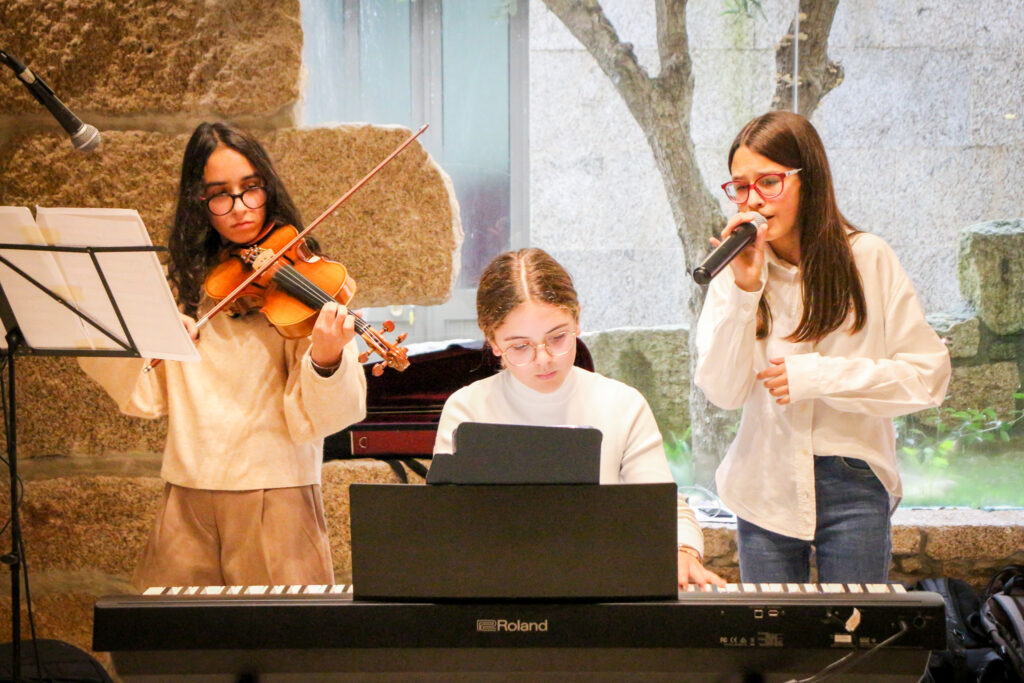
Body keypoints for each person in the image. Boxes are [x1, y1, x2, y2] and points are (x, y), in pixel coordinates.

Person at [79, 122, 367, 589]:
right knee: (174, 633)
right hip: (186, 495)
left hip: (277, 496)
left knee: (276, 634)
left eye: (251, 189)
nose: (240, 208)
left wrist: (327, 359)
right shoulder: (182, 282)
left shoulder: (303, 278)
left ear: (268, 188)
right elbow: (146, 397)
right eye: (220, 195)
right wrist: (147, 338)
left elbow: (326, 416)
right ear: (199, 202)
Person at [694, 111, 951, 584]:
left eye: (769, 182)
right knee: (772, 630)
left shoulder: (867, 257)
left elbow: (927, 377)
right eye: (741, 187)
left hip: (854, 481)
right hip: (764, 481)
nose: (754, 200)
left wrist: (817, 376)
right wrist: (745, 291)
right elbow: (722, 392)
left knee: (852, 627)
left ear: (808, 179)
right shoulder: (738, 268)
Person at [434, 248, 725, 587]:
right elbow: (446, 521)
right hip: (497, 587)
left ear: (577, 320)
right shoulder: (467, 408)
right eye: (520, 346)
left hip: (603, 585)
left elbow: (663, 506)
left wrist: (684, 550)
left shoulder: (622, 404)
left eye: (557, 337)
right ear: (493, 342)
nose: (544, 359)